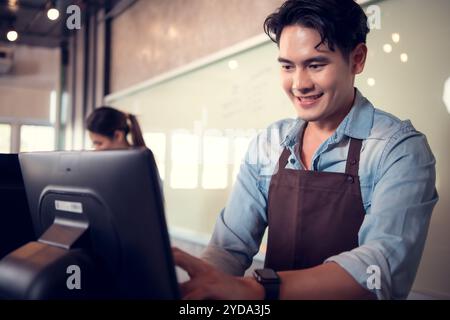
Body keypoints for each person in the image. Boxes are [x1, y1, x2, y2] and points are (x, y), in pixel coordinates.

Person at [173, 0, 438, 300]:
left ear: (357, 59)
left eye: (315, 64)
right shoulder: (268, 144)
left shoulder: (399, 149)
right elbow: (227, 247)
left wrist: (252, 289)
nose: (299, 84)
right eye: (287, 66)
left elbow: (378, 267)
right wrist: (201, 289)